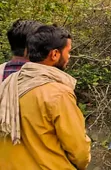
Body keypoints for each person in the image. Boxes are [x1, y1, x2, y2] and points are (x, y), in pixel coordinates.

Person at [0, 25, 91, 170]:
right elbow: (78, 149)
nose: (69, 57)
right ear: (55, 54)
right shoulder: (58, 93)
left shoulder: (8, 84)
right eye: (68, 52)